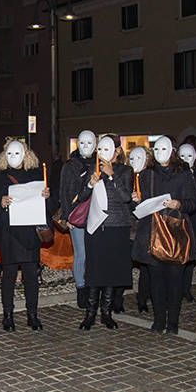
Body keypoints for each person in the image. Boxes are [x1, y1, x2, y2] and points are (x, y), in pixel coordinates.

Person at [131, 136, 196, 334]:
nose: (160, 152)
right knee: (156, 280)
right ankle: (159, 319)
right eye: (157, 149)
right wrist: (136, 200)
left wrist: (180, 204)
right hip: (152, 234)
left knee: (175, 281)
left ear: (172, 151)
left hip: (175, 233)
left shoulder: (183, 175)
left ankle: (173, 322)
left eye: (164, 148)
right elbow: (139, 207)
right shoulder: (146, 175)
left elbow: (193, 202)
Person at [0, 139, 52, 331]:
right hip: (9, 234)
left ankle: (33, 315)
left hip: (30, 233)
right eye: (9, 154)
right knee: (9, 276)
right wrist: (0, 202)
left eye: (17, 153)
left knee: (31, 276)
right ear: (3, 157)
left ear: (25, 155)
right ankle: (8, 315)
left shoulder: (36, 175)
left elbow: (49, 206)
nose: (13, 157)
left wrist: (47, 197)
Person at [77, 135, 133, 330]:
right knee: (94, 271)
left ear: (117, 151)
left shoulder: (126, 171)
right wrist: (91, 183)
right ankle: (90, 313)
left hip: (116, 226)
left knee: (111, 271)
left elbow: (126, 197)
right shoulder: (91, 169)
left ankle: (106, 312)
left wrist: (111, 176)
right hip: (95, 227)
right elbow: (81, 196)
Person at [60, 130, 98, 309]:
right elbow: (65, 192)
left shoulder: (100, 163)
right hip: (78, 215)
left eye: (89, 143)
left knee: (95, 253)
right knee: (81, 253)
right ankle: (81, 289)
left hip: (98, 214)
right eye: (82, 143)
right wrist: (67, 215)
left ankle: (93, 287)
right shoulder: (70, 165)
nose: (85, 146)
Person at [178, 142, 196, 303]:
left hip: (193, 218)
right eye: (182, 156)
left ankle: (186, 289)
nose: (185, 160)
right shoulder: (175, 174)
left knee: (190, 257)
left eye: (189, 156)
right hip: (179, 218)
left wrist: (193, 179)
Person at [128, 145, 153, 314]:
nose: (134, 162)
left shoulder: (152, 176)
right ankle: (116, 299)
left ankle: (143, 298)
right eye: (132, 158)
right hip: (130, 226)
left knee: (146, 264)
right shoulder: (127, 176)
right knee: (126, 262)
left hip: (146, 226)